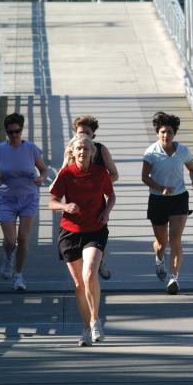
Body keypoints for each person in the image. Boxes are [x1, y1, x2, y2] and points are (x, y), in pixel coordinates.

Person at [49, 134, 115, 346]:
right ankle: (86, 329)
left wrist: (106, 211)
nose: (82, 152)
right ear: (72, 152)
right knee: (79, 284)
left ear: (91, 153)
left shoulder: (99, 173)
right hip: (70, 232)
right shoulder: (66, 174)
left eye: (86, 149)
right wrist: (65, 207)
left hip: (95, 229)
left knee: (89, 275)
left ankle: (96, 320)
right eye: (78, 149)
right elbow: (52, 202)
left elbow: (110, 195)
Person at [141, 111, 193, 295]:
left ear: (175, 134)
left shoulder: (183, 150)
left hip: (179, 198)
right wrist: (160, 188)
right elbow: (144, 177)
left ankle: (174, 278)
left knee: (175, 239)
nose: (166, 135)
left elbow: (192, 168)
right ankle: (159, 258)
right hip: (158, 199)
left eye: (170, 132)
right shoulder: (151, 152)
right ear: (158, 133)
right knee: (162, 242)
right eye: (163, 132)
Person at [0, 112, 48, 291]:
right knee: (10, 239)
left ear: (22, 130)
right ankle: (7, 259)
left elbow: (44, 170)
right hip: (6, 198)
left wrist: (41, 179)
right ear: (6, 132)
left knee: (23, 238)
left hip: (28, 198)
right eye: (10, 132)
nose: (14, 135)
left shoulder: (31, 149)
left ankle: (19, 276)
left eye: (17, 131)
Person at [69, 115, 119, 280]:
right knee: (78, 235)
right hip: (76, 200)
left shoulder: (101, 150)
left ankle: (99, 260)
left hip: (97, 200)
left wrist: (98, 184)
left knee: (97, 231)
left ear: (93, 136)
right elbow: (63, 172)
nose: (83, 137)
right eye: (80, 133)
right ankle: (87, 267)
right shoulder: (71, 150)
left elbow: (114, 174)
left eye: (87, 133)